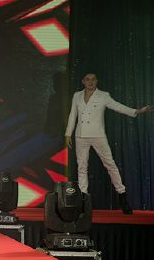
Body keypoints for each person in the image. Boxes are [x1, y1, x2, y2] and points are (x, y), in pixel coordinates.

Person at [65, 72, 152, 215]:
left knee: (110, 164)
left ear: (97, 81)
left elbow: (118, 106)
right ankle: (83, 201)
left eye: (93, 79)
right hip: (80, 136)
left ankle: (122, 196)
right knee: (82, 167)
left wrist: (136, 111)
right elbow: (73, 114)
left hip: (98, 135)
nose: (90, 82)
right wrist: (68, 133)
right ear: (83, 81)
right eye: (88, 79)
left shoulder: (103, 96)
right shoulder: (77, 96)